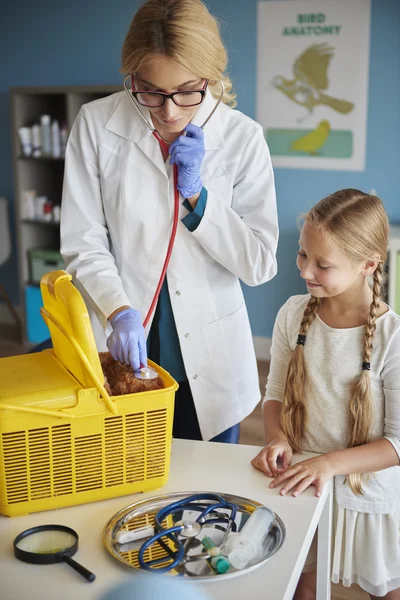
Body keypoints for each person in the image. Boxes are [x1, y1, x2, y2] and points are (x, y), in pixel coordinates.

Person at [61, 0, 278, 443]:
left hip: (211, 347)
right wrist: (118, 310)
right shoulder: (97, 124)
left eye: (186, 91)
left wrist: (198, 196)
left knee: (208, 487)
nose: (170, 110)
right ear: (133, 78)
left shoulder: (242, 137)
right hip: (125, 331)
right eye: (151, 91)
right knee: (126, 468)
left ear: (210, 79)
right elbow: (83, 239)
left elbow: (259, 262)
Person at [251, 189, 400, 599]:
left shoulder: (393, 337)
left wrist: (330, 464)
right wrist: (277, 436)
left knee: (384, 590)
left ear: (368, 264)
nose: (305, 271)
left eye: (323, 264)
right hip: (306, 486)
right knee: (303, 585)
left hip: (366, 496)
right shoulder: (292, 314)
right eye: (303, 255)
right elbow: (275, 392)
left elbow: (398, 443)